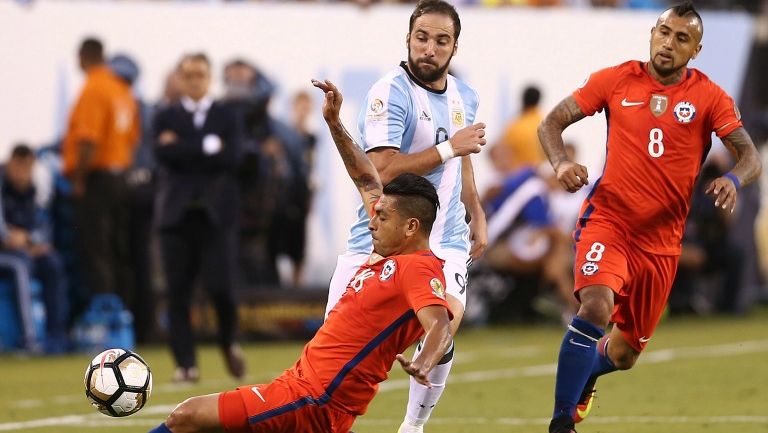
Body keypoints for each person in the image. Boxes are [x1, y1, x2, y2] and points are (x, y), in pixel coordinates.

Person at [147, 79, 453, 433]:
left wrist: (426, 361)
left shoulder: (418, 267)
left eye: (382, 217)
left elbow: (440, 326)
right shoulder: (391, 246)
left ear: (412, 227)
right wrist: (335, 124)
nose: (372, 223)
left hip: (312, 400)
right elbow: (366, 179)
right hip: (301, 390)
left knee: (186, 416)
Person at [536, 3, 762, 432]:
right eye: (663, 32)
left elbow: (750, 155)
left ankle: (586, 378)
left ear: (695, 49)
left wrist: (734, 178)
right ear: (652, 33)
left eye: (681, 38)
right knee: (595, 305)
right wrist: (561, 163)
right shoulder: (615, 79)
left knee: (624, 354)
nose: (668, 43)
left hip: (661, 243)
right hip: (609, 222)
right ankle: (561, 422)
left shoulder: (709, 96)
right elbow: (552, 123)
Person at [324, 2, 487, 431]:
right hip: (381, 236)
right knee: (335, 352)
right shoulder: (389, 93)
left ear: (454, 47)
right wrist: (452, 146)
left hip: (444, 237)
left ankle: (412, 427)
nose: (429, 48)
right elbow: (383, 169)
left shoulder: (464, 96)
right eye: (422, 37)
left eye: (441, 40)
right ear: (408, 38)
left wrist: (477, 210)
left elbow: (462, 160)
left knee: (445, 322)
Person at [153, 53, 244, 382]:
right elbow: (163, 154)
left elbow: (232, 157)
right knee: (178, 292)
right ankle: (185, 363)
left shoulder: (227, 115)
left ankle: (228, 341)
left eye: (200, 75)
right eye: (188, 75)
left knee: (221, 288)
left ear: (210, 79)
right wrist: (207, 147)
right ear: (179, 78)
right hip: (175, 217)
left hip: (215, 215)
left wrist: (184, 148)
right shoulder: (164, 114)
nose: (194, 81)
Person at [61, 37, 138, 307]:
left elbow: (88, 140)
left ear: (83, 57)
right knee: (119, 250)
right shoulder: (122, 90)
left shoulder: (94, 88)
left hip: (98, 179)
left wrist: (79, 179)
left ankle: (105, 315)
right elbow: (132, 138)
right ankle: (126, 315)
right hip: (121, 176)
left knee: (96, 250)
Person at [0, 144, 69, 353]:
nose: (21, 174)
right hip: (6, 251)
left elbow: (43, 226)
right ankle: (29, 339)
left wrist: (28, 239)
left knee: (52, 263)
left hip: (24, 249)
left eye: (26, 168)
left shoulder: (36, 188)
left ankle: (56, 335)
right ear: (9, 165)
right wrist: (8, 238)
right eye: (17, 168)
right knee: (20, 267)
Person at [496, 85, 545, 169]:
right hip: (541, 176)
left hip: (519, 176)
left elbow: (502, 153)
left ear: (522, 99)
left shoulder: (515, 126)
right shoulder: (546, 124)